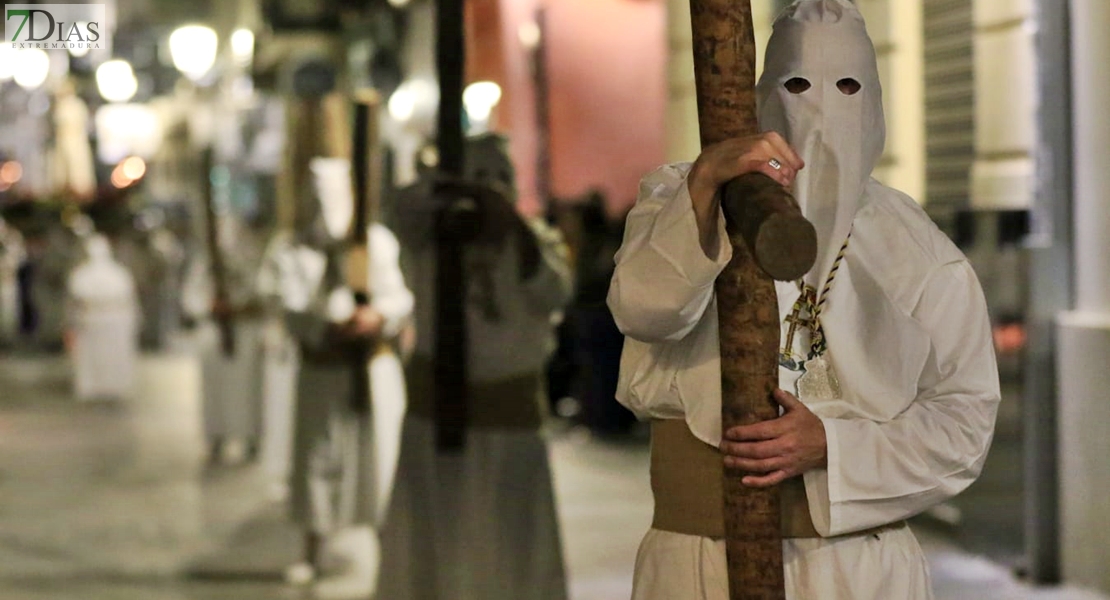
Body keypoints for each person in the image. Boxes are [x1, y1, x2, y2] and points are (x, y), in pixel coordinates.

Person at [607, 1, 1000, 598]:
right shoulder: (681, 194)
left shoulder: (915, 246)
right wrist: (708, 184)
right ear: (762, 93)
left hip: (859, 570)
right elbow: (644, 310)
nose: (817, 110)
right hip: (695, 563)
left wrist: (833, 448)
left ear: (871, 102)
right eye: (795, 85)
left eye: (846, 86)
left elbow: (965, 420)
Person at [378, 133, 572, 600]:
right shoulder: (429, 236)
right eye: (479, 179)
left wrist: (510, 225)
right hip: (438, 421)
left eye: (499, 180)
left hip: (510, 427)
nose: (490, 190)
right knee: (436, 545)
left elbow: (554, 291)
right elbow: (398, 209)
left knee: (510, 550)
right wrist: (445, 188)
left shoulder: (535, 241)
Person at [269, 153, 414, 600]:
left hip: (371, 367)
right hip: (323, 371)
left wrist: (376, 317)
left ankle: (385, 547)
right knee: (317, 460)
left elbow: (399, 296)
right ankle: (312, 548)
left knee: (380, 460)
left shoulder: (378, 242)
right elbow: (288, 304)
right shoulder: (292, 250)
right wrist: (326, 326)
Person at [181, 218, 267, 464]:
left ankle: (250, 438)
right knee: (215, 391)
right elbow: (191, 295)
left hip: (244, 331)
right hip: (214, 332)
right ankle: (215, 438)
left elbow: (260, 291)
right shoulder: (204, 262)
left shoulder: (252, 258)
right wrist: (210, 306)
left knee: (246, 390)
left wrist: (237, 306)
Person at [65, 234, 140, 400]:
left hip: (103, 319)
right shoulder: (118, 273)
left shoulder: (84, 274)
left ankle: (108, 386)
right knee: (96, 357)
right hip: (100, 319)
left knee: (108, 356)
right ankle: (102, 386)